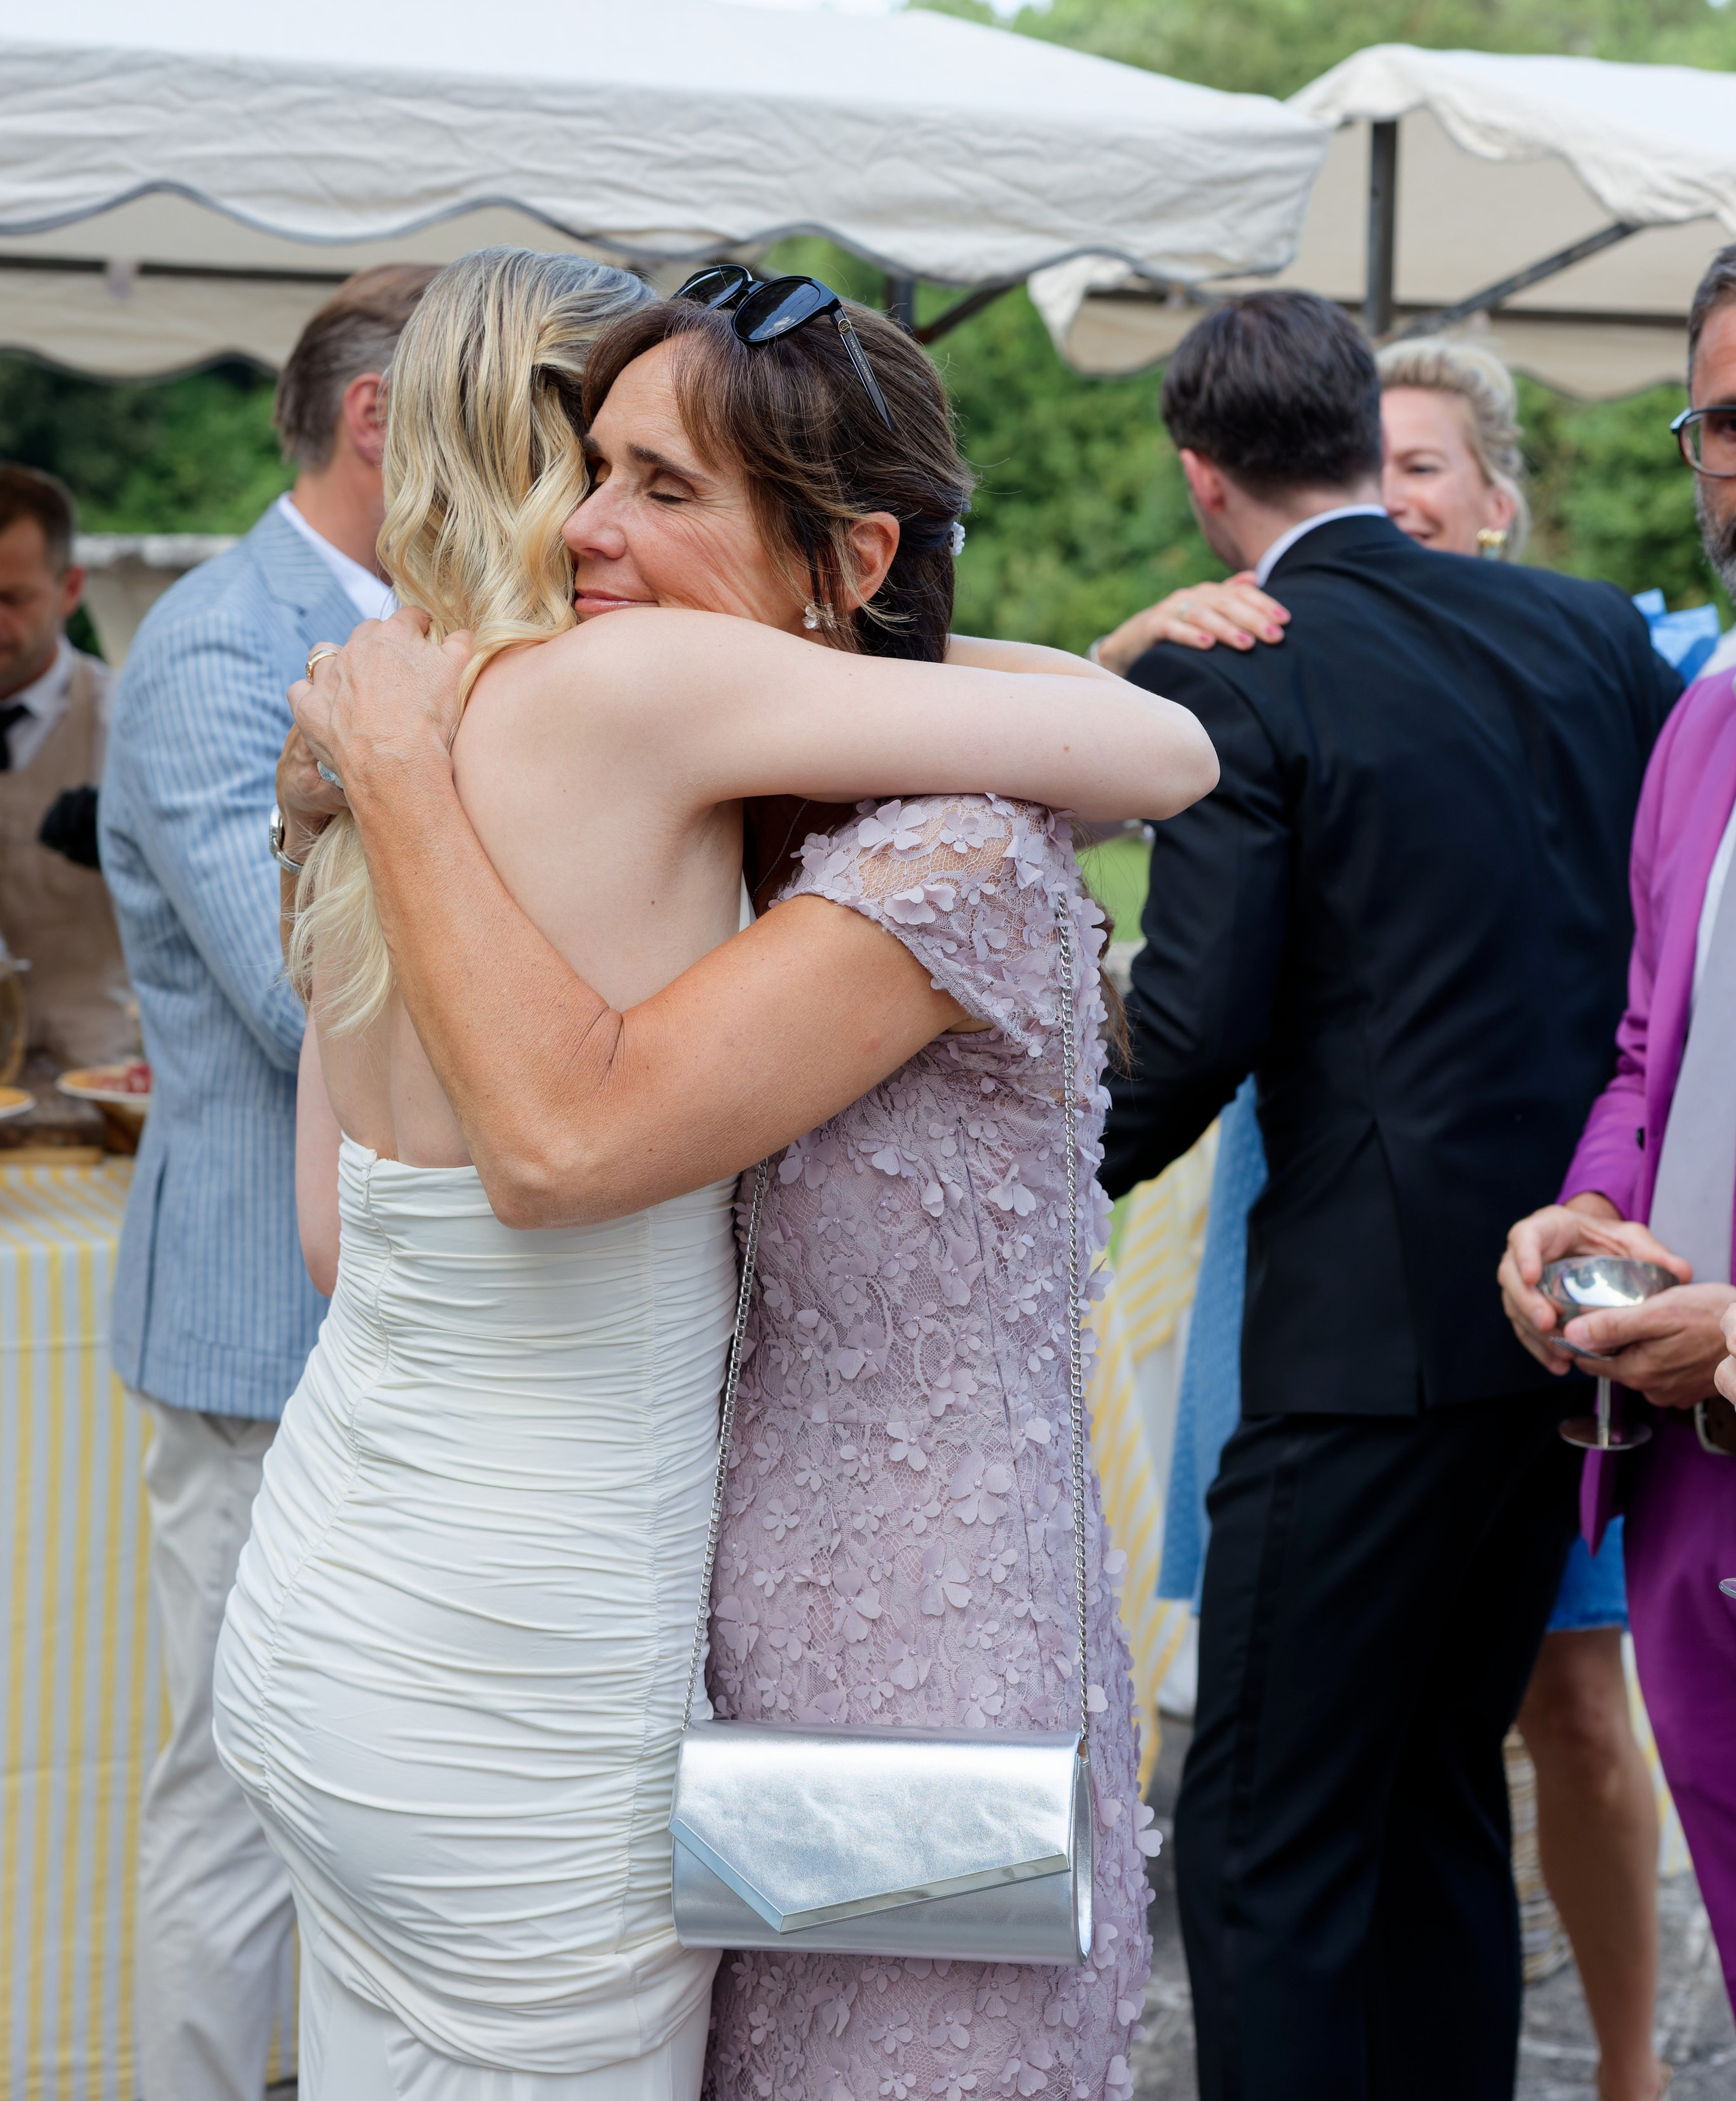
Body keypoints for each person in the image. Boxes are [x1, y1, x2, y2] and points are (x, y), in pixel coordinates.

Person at [216, 250, 1215, 2100]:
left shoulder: (926, 857)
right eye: (592, 468)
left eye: (661, 489)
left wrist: (389, 788)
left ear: (853, 557)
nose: (598, 532)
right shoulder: (662, 780)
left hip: (875, 1643)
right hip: (600, 1653)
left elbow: (388, 1216)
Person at [1096, 291, 1678, 2101]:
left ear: (1204, 481)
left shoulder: (1238, 663)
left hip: (1358, 1346)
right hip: (1574, 1323)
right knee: (1435, 1798)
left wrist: (1022, 1177)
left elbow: (1183, 1034)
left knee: (1263, 1829)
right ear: (1361, 430)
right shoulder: (1597, 639)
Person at [98, 261, 436, 2101]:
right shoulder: (229, 644)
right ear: (383, 421)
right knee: (234, 1792)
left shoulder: (419, 629)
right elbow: (307, 994)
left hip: (392, 1316)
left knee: (372, 1788)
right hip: (255, 1320)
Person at [1503, 240, 1736, 2025]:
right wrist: (1586, 1201)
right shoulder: (1708, 720)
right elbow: (1649, 1043)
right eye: (1726, 423)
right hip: (1689, 1483)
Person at [0, 463, 132, 1071]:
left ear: (70, 588)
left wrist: (135, 837)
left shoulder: (128, 724)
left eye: (13, 599)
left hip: (96, 1078)